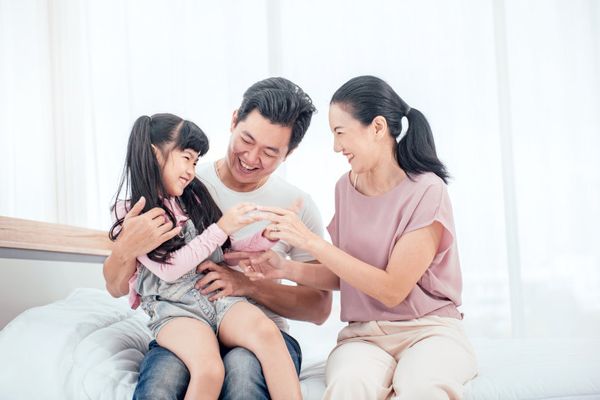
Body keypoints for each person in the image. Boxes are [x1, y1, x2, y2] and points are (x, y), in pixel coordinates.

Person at [239, 76, 478, 399]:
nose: (336, 147)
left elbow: (392, 289)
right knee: (349, 387)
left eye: (340, 132)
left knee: (421, 388)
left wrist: (310, 242)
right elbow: (348, 274)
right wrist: (284, 268)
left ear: (377, 127)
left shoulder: (427, 190)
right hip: (364, 337)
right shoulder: (345, 187)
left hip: (429, 330)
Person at [103, 77, 331, 400]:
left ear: (289, 153)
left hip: (242, 317)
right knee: (163, 383)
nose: (251, 157)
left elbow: (320, 308)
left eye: (269, 152)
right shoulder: (186, 185)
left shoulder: (299, 206)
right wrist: (125, 249)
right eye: (246, 139)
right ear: (234, 120)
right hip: (183, 316)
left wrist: (248, 284)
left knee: (243, 374)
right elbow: (116, 286)